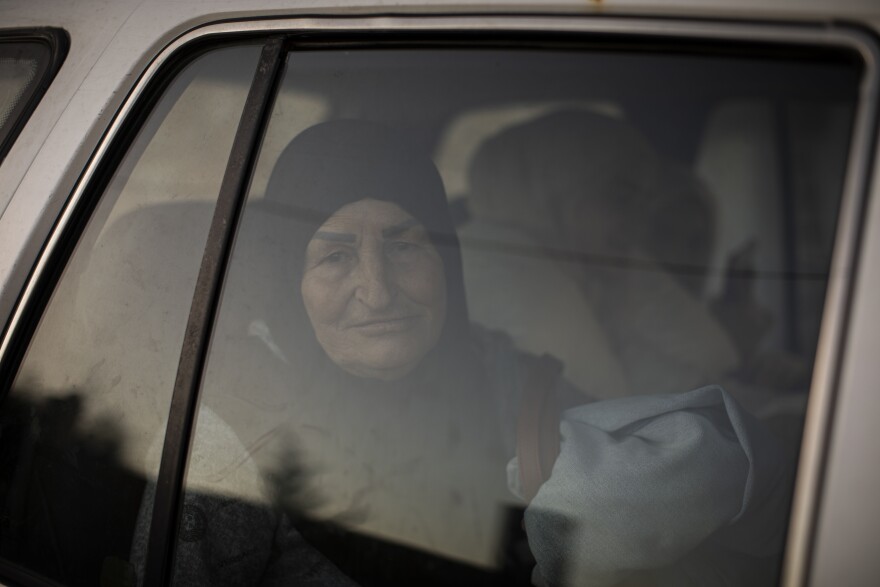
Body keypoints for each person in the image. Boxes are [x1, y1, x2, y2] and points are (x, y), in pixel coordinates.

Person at [139, 120, 790, 586]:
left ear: (445, 255)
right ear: (289, 277)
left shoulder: (502, 377)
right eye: (335, 255)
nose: (378, 288)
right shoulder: (229, 448)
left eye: (405, 245)